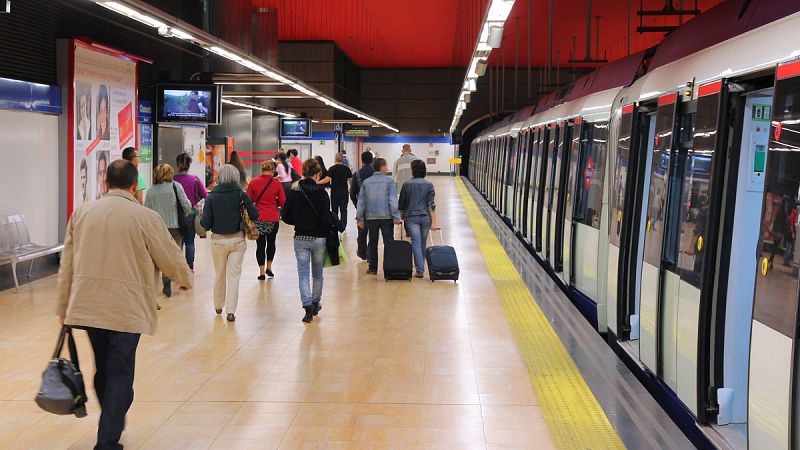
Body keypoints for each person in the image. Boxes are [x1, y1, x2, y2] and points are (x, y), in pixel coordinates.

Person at [57, 159, 192, 450]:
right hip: (127, 310)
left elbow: (66, 264)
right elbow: (169, 256)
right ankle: (107, 440)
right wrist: (185, 279)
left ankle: (111, 420)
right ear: (134, 186)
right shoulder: (145, 217)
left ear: (106, 184)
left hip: (89, 307)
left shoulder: (82, 213)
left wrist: (62, 307)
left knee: (104, 370)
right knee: (120, 373)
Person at [281, 158, 342, 323]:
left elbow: (285, 215)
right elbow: (325, 219)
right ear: (317, 174)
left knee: (302, 275)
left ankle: (307, 309)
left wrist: (299, 221)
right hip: (319, 239)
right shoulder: (322, 194)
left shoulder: (294, 192)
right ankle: (315, 303)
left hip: (300, 238)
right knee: (317, 274)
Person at [201, 164, 258, 322]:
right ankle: (231, 311)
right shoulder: (241, 194)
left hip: (218, 241)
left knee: (219, 273)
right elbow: (255, 214)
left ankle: (218, 305)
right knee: (234, 276)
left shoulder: (211, 196)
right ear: (235, 177)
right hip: (237, 240)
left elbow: (206, 224)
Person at [144, 164, 192, 297]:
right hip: (176, 227)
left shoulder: (151, 191)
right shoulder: (176, 187)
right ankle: (178, 279)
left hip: (158, 229)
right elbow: (187, 206)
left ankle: (165, 281)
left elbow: (146, 210)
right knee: (175, 255)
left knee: (161, 255)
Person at [356, 158, 401, 275]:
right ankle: (389, 268)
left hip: (371, 218)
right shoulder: (390, 181)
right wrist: (396, 217)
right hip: (386, 217)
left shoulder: (366, 182)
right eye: (386, 165)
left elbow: (361, 202)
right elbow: (392, 200)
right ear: (382, 167)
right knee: (389, 243)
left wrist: (360, 218)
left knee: (373, 242)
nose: (387, 168)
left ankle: (372, 268)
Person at [399, 160, 439, 278]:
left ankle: (420, 269)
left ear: (413, 170)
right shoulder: (429, 184)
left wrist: (402, 213)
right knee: (422, 242)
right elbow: (431, 204)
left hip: (411, 218)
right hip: (426, 217)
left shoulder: (406, 184)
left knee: (415, 242)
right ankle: (420, 267)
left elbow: (402, 202)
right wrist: (434, 221)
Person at [246, 161, 285, 280]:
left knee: (260, 245)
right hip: (273, 219)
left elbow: (248, 200)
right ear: (273, 171)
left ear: (261, 170)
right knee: (271, 243)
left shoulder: (253, 182)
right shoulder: (277, 183)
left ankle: (262, 272)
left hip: (258, 218)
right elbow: (283, 202)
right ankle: (269, 267)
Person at [173, 153, 208, 270]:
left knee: (177, 242)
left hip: (175, 215)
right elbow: (205, 195)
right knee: (189, 241)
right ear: (188, 165)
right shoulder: (195, 179)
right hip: (191, 215)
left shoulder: (172, 179)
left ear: (177, 165)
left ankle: (178, 267)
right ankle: (190, 268)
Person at [350, 151, 376, 260]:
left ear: (362, 160)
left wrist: (357, 205)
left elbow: (352, 193)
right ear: (372, 160)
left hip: (362, 207)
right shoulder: (376, 174)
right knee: (373, 233)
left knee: (362, 231)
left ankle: (362, 253)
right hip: (375, 207)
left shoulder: (357, 175)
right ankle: (371, 255)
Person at [327, 153, 352, 232]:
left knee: (334, 210)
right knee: (343, 210)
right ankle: (343, 227)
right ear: (342, 160)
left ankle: (335, 225)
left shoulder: (332, 169)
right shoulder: (347, 169)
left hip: (334, 192)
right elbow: (350, 180)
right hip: (344, 192)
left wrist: (317, 182)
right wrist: (351, 188)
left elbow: (327, 179)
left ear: (335, 159)